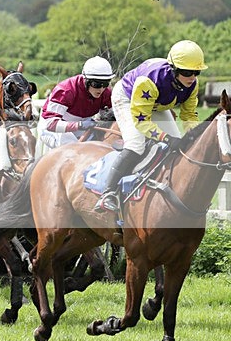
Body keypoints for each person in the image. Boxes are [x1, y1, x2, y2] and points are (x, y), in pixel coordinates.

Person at [94, 40, 206, 212]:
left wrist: (194, 135)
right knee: (136, 144)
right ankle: (107, 193)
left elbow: (189, 115)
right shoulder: (149, 81)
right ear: (174, 70)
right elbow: (142, 121)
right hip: (127, 98)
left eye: (196, 72)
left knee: (179, 146)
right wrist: (165, 137)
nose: (192, 77)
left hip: (156, 103)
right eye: (186, 72)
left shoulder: (192, 85)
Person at [39, 56, 114, 149]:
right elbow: (50, 124)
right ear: (85, 80)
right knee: (73, 149)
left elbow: (111, 119)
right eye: (96, 84)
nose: (101, 89)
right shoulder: (65, 90)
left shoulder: (106, 93)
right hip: (53, 129)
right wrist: (79, 125)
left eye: (105, 84)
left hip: (80, 128)